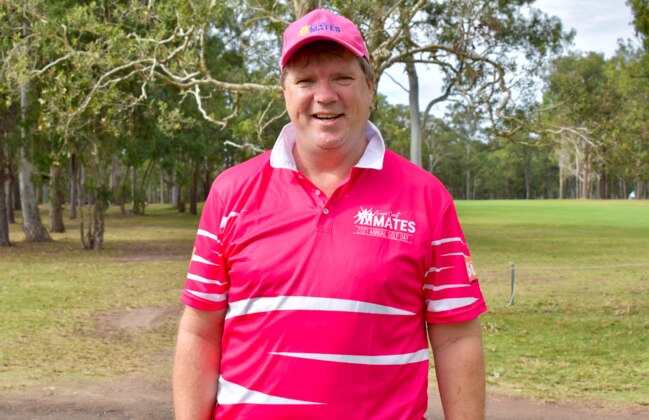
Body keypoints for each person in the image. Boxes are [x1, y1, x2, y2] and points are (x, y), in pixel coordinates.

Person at [173, 8, 487, 420]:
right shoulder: (230, 193)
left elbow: (456, 338)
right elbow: (200, 331)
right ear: (285, 92)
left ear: (370, 86)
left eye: (342, 77)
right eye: (305, 80)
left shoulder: (428, 198)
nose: (325, 95)